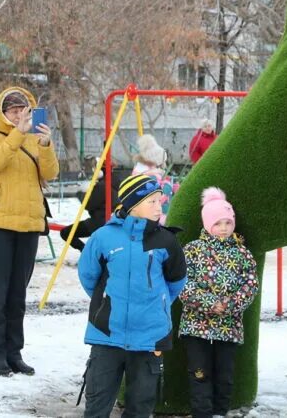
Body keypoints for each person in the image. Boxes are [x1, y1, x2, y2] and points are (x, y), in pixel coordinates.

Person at [78, 173, 186, 418]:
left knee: (141, 406)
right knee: (97, 404)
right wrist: (106, 302)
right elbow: (88, 276)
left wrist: (155, 304)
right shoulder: (103, 237)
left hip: (150, 337)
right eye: (152, 201)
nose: (160, 206)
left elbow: (176, 281)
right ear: (132, 204)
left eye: (160, 201)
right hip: (107, 334)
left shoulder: (166, 240)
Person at [0, 87, 59, 376]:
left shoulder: (34, 140)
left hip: (28, 225)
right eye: (12, 110)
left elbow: (50, 174)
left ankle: (15, 353)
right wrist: (17, 133)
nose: (17, 114)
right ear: (2, 112)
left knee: (17, 296)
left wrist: (46, 144)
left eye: (22, 109)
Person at [179, 187, 259, 418]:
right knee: (199, 373)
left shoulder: (242, 253)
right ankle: (202, 413)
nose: (223, 228)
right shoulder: (193, 250)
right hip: (197, 326)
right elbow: (183, 282)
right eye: (218, 223)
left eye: (227, 222)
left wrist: (231, 304)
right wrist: (209, 302)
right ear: (207, 223)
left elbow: (250, 284)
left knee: (225, 375)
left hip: (228, 327)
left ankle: (219, 412)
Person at [58, 169, 118, 252]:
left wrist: (81, 192)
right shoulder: (113, 184)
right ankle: (88, 252)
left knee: (65, 233)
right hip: (111, 221)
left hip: (98, 222)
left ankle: (85, 251)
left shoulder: (102, 186)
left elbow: (88, 204)